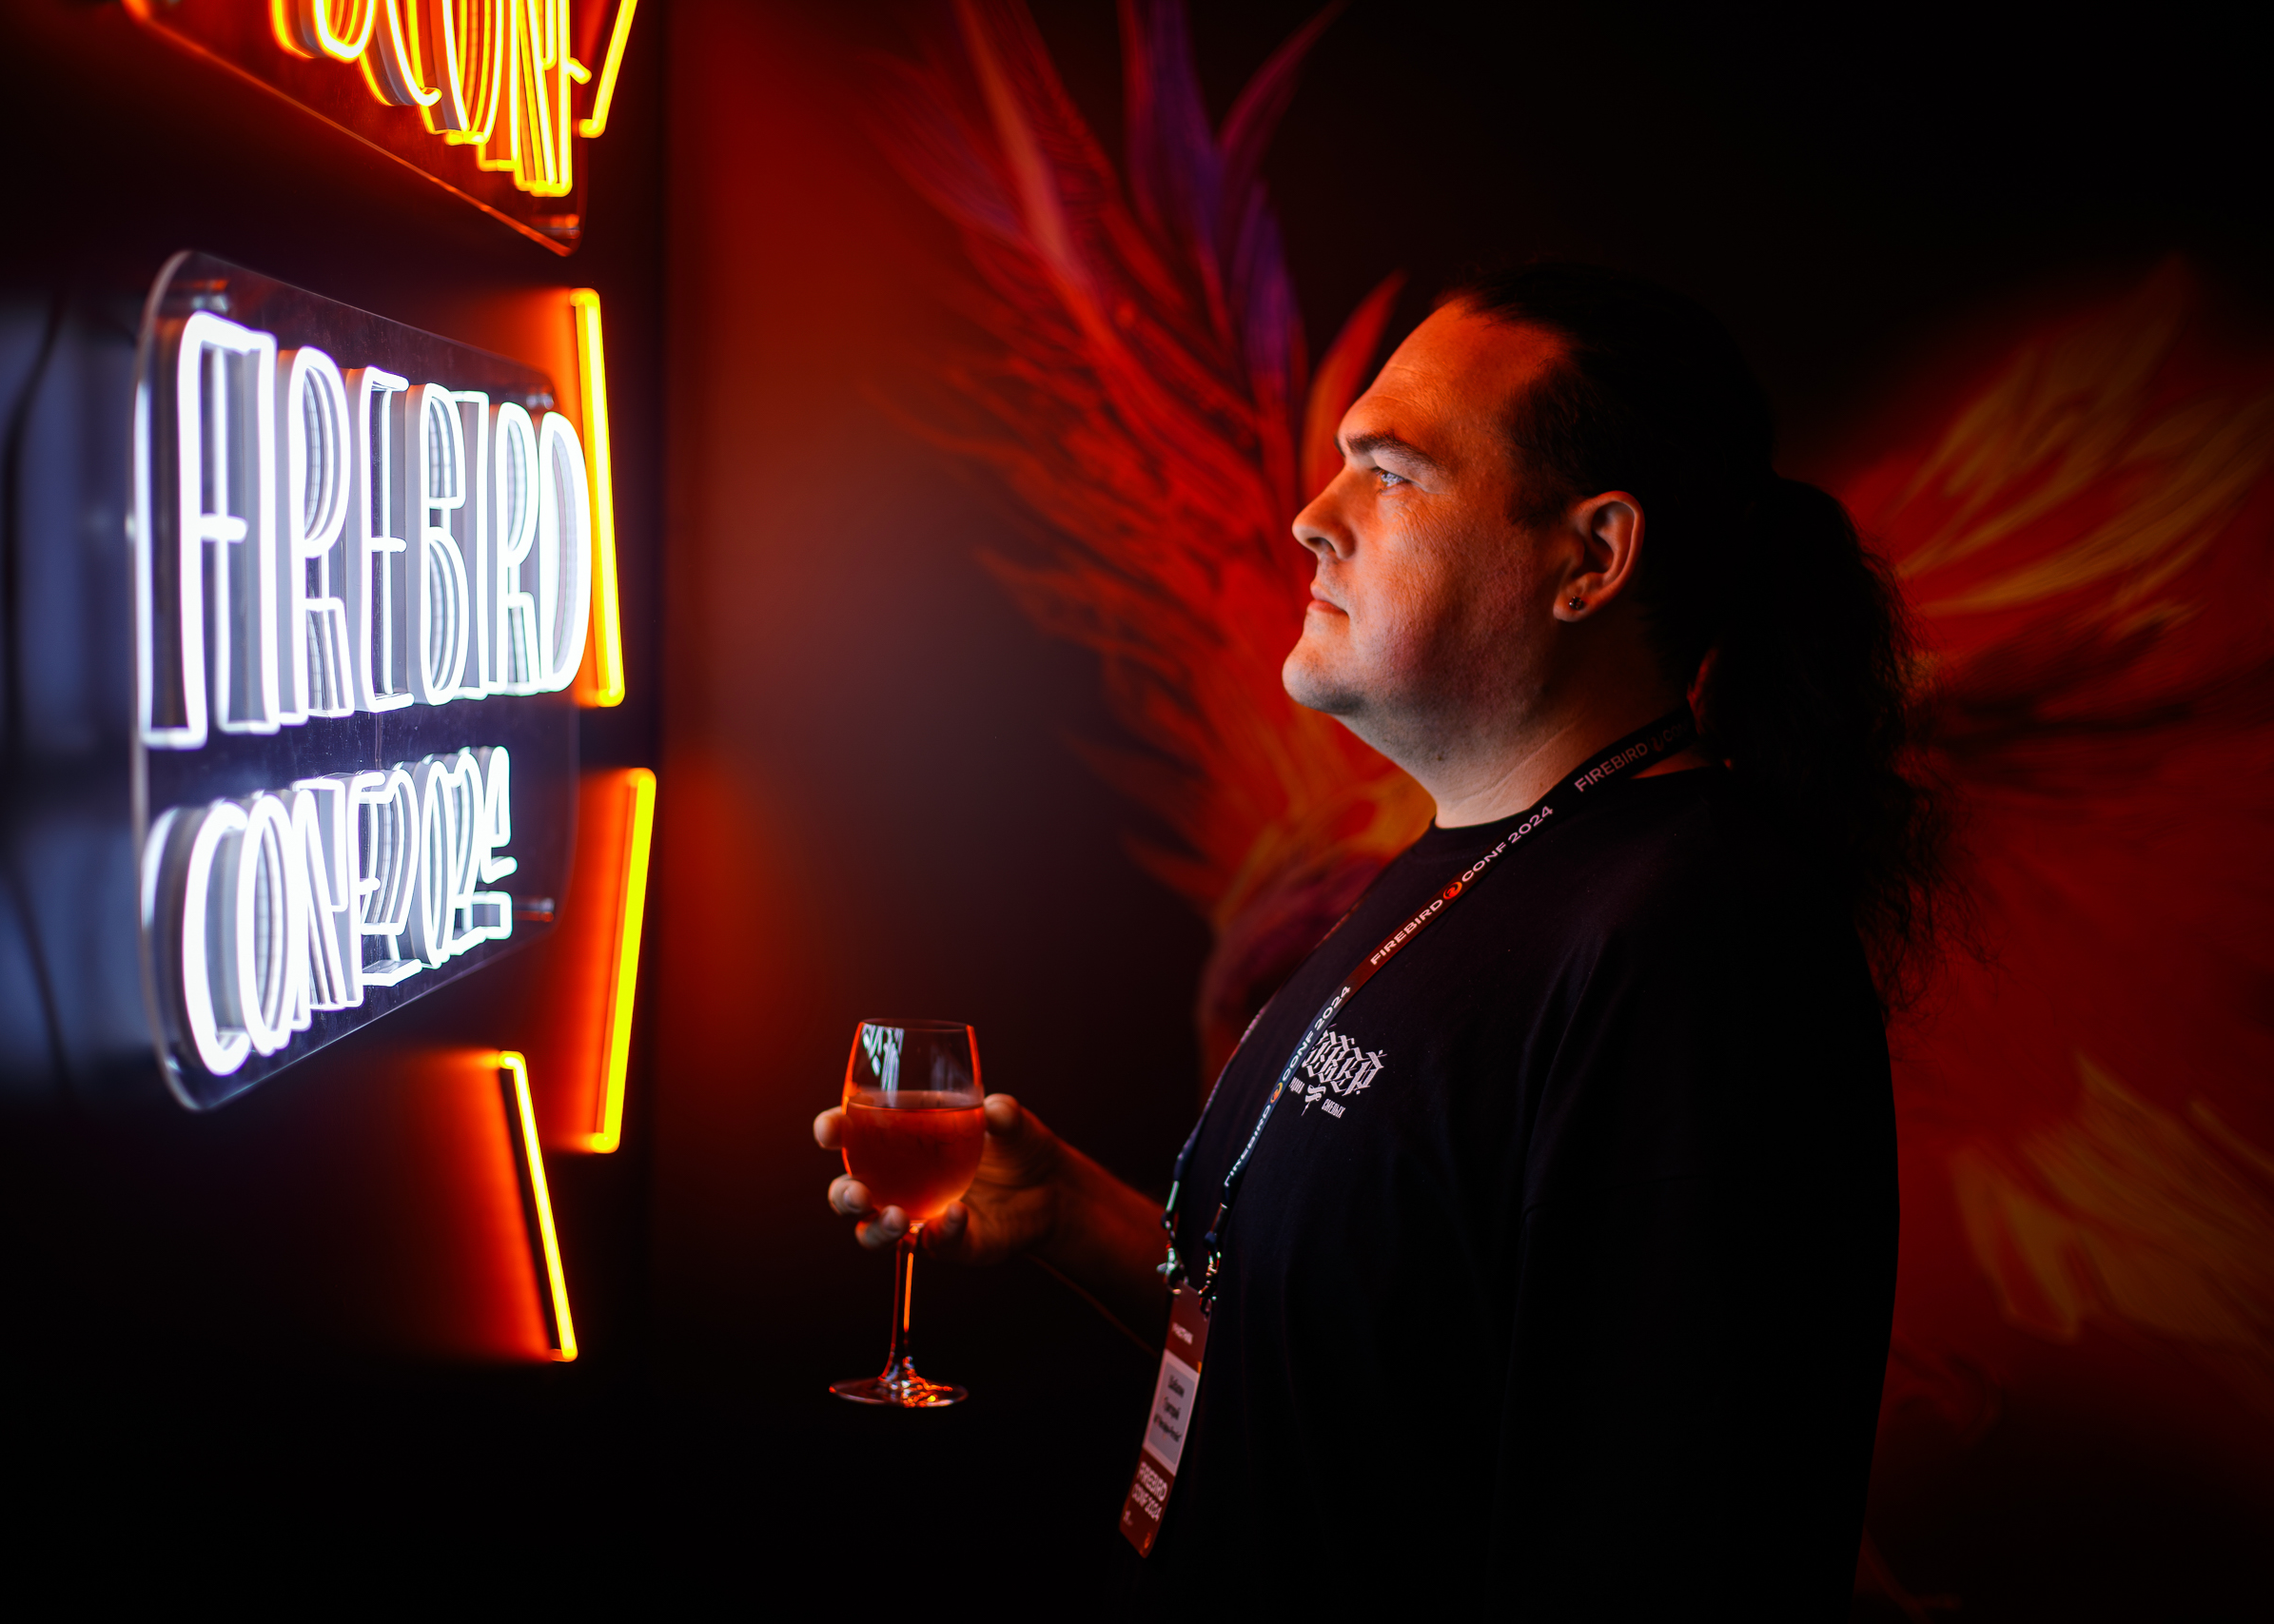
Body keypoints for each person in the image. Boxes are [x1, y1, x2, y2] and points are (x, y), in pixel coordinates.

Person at [815, 262, 1933, 1616]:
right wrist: (1078, 1221)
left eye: (1392, 474)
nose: (1312, 517)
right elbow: (1376, 1383)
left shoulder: (1702, 942)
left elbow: (1664, 1542)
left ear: (1590, 559)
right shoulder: (1466, 863)